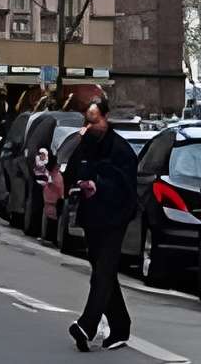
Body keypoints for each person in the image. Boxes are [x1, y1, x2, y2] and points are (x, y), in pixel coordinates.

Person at [63, 98, 139, 352]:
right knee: (102, 271)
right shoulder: (86, 144)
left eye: (95, 120)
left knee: (103, 272)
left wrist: (99, 186)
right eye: (88, 120)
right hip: (92, 217)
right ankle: (120, 325)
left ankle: (87, 325)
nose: (90, 125)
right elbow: (71, 172)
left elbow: (126, 188)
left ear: (106, 118)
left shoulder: (122, 150)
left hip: (115, 218)